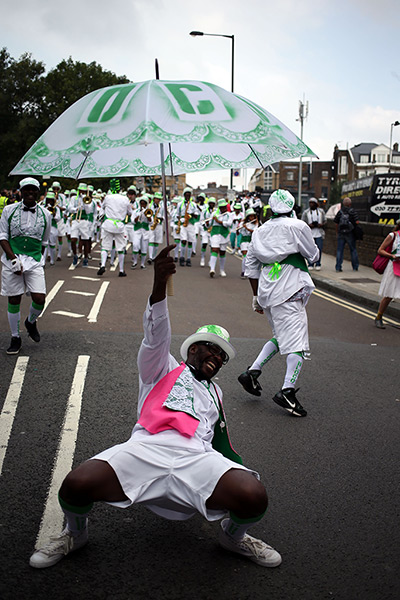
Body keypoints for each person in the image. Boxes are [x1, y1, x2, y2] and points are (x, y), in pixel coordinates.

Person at [29, 244, 282, 570]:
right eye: (211, 348)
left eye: (222, 356)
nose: (216, 357)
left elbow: (221, 441)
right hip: (147, 447)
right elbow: (156, 334)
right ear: (192, 350)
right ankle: (75, 534)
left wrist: (233, 471)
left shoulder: (216, 392)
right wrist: (159, 283)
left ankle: (232, 538)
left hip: (195, 455)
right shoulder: (160, 367)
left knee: (253, 495)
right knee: (76, 484)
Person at [238, 189, 319, 417]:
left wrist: (256, 298)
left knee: (282, 336)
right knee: (297, 344)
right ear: (292, 207)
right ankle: (287, 391)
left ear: (270, 209)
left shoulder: (259, 231)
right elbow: (312, 255)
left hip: (267, 290)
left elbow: (251, 268)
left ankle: (252, 372)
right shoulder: (298, 226)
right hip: (289, 289)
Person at [0, 177, 51, 355]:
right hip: (11, 259)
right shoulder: (9, 210)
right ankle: (15, 337)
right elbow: (3, 236)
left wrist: (40, 262)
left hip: (34, 260)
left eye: (33, 190)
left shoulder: (46, 214)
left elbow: (44, 241)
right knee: (14, 298)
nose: (30, 193)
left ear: (38, 192)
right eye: (26, 190)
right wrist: (13, 259)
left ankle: (30, 321)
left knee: (40, 298)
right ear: (20, 192)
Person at [97, 179, 133, 277]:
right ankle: (121, 270)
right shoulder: (125, 199)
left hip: (108, 224)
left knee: (105, 246)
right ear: (120, 189)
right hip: (120, 226)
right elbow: (130, 212)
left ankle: (103, 264)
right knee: (120, 248)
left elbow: (102, 208)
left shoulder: (107, 198)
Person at [374, 219, 400, 328]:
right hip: (393, 266)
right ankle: (379, 317)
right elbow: (380, 250)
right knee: (389, 294)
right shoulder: (393, 235)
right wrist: (392, 256)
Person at [333, 197, 360, 272]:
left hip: (341, 233)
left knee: (339, 251)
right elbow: (357, 222)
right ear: (350, 204)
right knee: (353, 250)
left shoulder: (340, 212)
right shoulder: (352, 211)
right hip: (350, 233)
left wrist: (337, 232)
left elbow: (336, 222)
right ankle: (355, 267)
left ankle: (338, 267)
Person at [301, 198, 326, 270]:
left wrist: (321, 225)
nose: (311, 204)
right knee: (310, 249)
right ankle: (310, 263)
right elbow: (302, 222)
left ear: (316, 204)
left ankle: (318, 263)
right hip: (310, 234)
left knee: (319, 249)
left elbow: (325, 221)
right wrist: (309, 225)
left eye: (312, 203)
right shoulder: (306, 212)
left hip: (319, 233)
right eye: (310, 203)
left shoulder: (321, 212)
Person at [209, 199, 232, 278]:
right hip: (215, 233)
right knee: (215, 249)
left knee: (222, 252)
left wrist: (219, 221)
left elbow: (229, 224)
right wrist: (207, 223)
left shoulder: (229, 214)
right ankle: (212, 269)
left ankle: (222, 269)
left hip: (224, 234)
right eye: (221, 207)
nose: (223, 209)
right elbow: (208, 225)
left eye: (224, 207)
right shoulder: (214, 214)